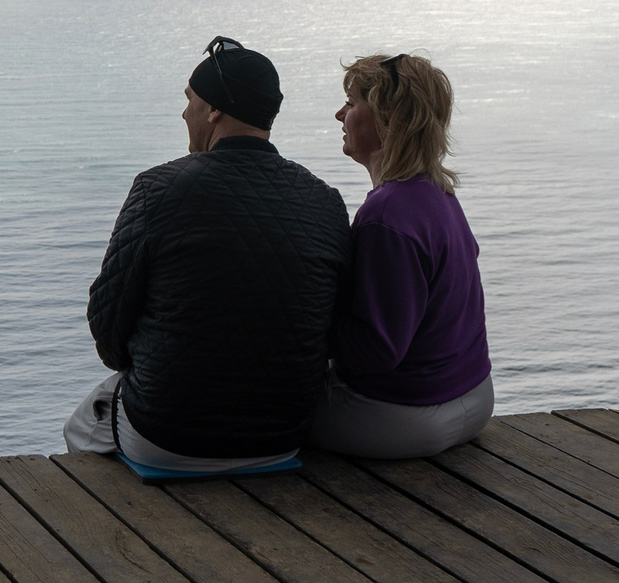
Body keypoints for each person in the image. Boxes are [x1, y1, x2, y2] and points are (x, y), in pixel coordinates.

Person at [64, 36, 352, 477]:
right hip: (283, 434)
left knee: (82, 426)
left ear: (214, 109)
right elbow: (333, 325)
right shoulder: (325, 200)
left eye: (190, 100)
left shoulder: (156, 189)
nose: (185, 112)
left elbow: (107, 324)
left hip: (169, 434)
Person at [313, 51, 493, 459]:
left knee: (253, 404)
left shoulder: (385, 215)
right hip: (475, 397)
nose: (340, 114)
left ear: (388, 119)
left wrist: (305, 315)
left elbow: (378, 349)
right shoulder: (438, 193)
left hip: (404, 416)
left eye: (353, 102)